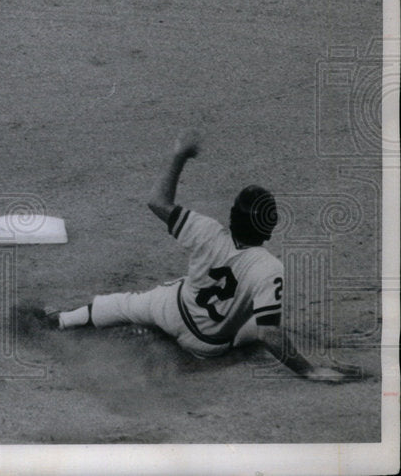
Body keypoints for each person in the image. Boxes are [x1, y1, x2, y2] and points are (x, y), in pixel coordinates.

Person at [44, 130, 345, 382]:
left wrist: (179, 155)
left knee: (124, 303)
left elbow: (157, 201)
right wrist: (309, 370)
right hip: (209, 346)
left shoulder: (205, 230)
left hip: (171, 312)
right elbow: (270, 335)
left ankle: (61, 321)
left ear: (231, 218)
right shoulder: (269, 269)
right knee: (260, 323)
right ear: (270, 228)